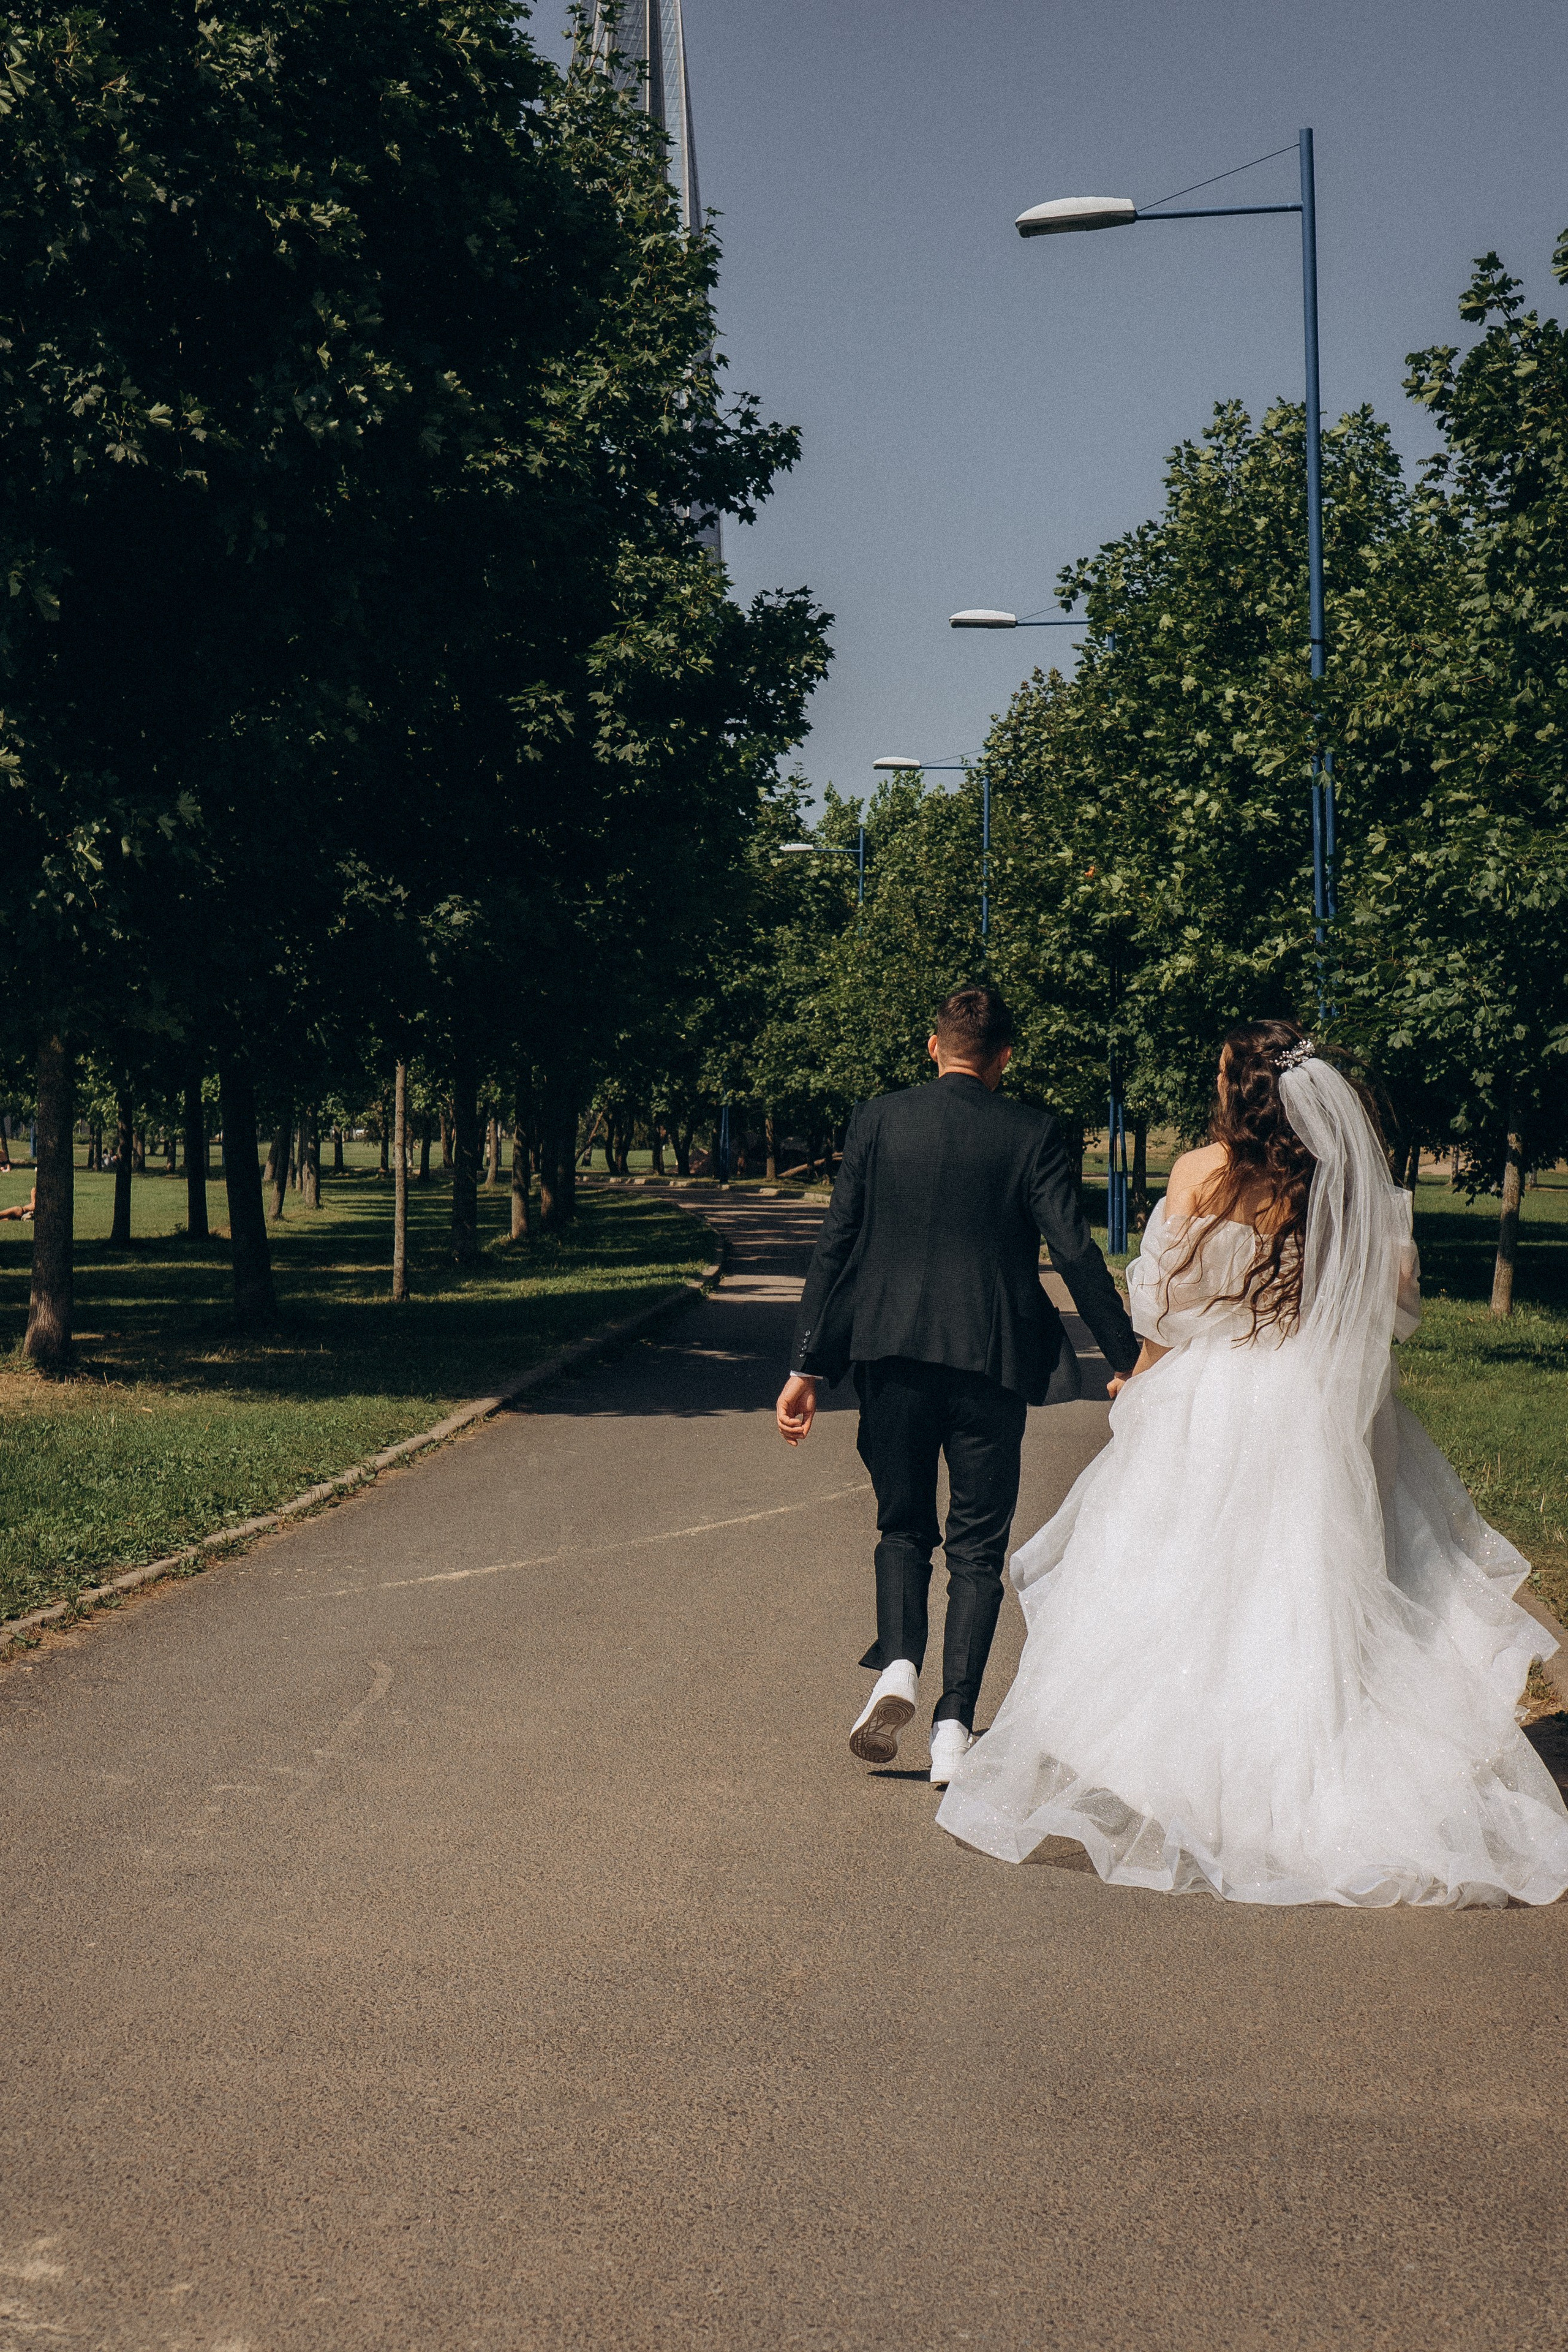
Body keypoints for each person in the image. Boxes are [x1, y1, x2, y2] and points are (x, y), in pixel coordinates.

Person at [937, 1019, 1568, 1908]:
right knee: (1311, 1591)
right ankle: (1307, 1777)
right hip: (1315, 1407)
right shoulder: (1357, 1190)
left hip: (1217, 1400)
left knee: (1193, 1588)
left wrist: (1139, 1383)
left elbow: (1158, 1312)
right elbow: (1398, 1315)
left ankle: (1200, 1784)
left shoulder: (1200, 1173)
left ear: (1242, 1092)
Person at [777, 984, 1139, 1787]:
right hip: (990, 1362)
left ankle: (899, 1662)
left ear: (934, 1047)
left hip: (889, 1356)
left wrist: (806, 1366)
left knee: (904, 1529)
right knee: (978, 1550)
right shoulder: (1034, 1132)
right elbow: (1076, 1252)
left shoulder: (877, 1121)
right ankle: (952, 1730)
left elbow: (837, 1245)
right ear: (1004, 1058)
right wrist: (1125, 1355)